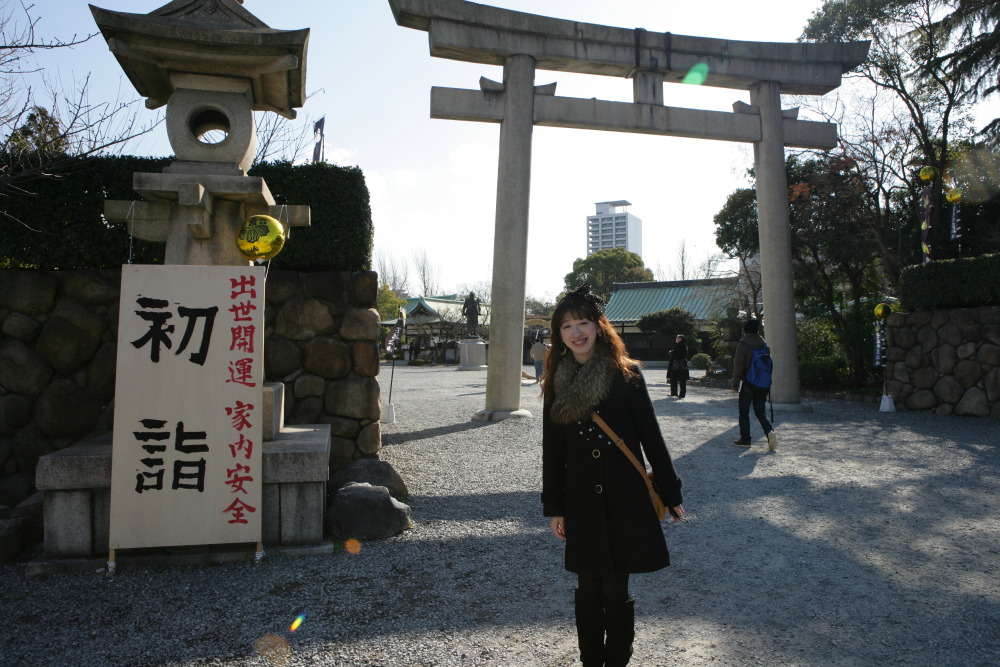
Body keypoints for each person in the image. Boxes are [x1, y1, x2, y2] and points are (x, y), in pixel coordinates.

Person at [541, 283, 684, 667]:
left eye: (583, 322)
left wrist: (671, 493)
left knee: (617, 586)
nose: (576, 332)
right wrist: (555, 506)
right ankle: (591, 661)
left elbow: (651, 438)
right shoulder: (555, 383)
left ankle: (617, 661)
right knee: (587, 585)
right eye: (567, 326)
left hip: (624, 497)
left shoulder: (627, 375)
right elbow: (553, 452)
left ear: (599, 326)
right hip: (582, 499)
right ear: (558, 334)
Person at [730, 319, 778, 450]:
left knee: (744, 412)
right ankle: (769, 432)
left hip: (747, 383)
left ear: (745, 331)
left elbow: (738, 366)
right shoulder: (764, 345)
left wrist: (735, 384)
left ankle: (745, 439)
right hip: (763, 384)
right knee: (760, 412)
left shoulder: (743, 344)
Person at [667, 334, 690, 398]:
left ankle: (676, 393)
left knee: (676, 379)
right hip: (681, 365)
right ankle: (679, 394)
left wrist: (671, 352)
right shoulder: (684, 345)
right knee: (680, 380)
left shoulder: (679, 345)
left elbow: (675, 354)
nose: (676, 339)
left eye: (677, 338)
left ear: (680, 339)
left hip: (678, 365)